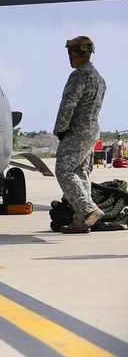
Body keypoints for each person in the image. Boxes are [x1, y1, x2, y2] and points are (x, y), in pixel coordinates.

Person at [53, 36, 107, 234]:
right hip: (92, 131)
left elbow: (68, 104)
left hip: (77, 131)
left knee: (64, 171)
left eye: (71, 52)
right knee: (81, 173)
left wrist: (61, 128)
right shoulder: (99, 78)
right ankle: (81, 220)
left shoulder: (79, 76)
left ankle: (88, 210)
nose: (69, 57)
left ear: (76, 53)